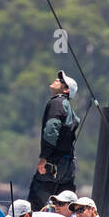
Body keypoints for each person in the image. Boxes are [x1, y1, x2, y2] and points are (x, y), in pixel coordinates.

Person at [28, 70, 80, 206]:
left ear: (66, 90)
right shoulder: (67, 106)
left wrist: (43, 159)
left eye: (61, 81)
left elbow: (51, 130)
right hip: (67, 167)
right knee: (65, 206)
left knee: (35, 204)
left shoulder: (56, 102)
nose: (56, 80)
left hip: (53, 165)